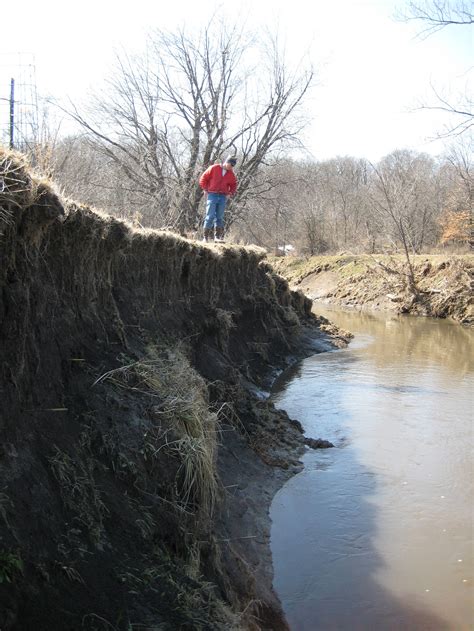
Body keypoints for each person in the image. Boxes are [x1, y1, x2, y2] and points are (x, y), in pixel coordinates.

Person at [199, 156, 237, 242]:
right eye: (230, 165)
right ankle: (205, 238)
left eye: (233, 166)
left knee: (219, 217)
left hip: (223, 196)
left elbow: (234, 184)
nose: (231, 167)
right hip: (212, 194)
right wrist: (205, 189)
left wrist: (230, 193)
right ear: (226, 162)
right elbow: (203, 178)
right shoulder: (214, 168)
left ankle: (217, 237)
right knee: (210, 216)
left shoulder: (231, 173)